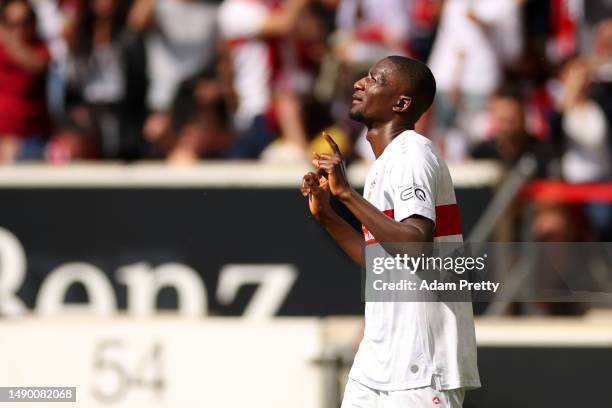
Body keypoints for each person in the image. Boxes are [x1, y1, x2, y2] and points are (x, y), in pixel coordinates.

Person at [301, 56, 480, 407]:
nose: (359, 83)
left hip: (420, 368)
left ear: (401, 103)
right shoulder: (385, 163)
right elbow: (382, 266)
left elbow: (416, 246)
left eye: (373, 79)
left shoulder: (412, 153)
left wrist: (346, 195)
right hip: (377, 366)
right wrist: (328, 215)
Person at [0, 0, 50, 162]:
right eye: (12, 24)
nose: (19, 29)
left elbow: (36, 66)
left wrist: (5, 35)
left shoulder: (41, 48)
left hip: (30, 141)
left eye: (25, 23)